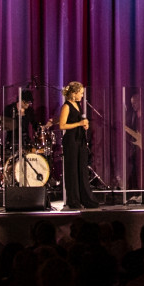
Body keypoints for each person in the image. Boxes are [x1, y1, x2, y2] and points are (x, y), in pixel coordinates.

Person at [58, 81, 98, 209]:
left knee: (82, 170)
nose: (82, 95)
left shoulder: (78, 104)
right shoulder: (66, 106)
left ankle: (86, 198)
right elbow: (62, 125)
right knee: (72, 171)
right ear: (74, 94)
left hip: (80, 140)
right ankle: (73, 200)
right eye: (80, 93)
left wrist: (84, 125)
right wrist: (79, 124)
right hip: (71, 141)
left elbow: (80, 121)